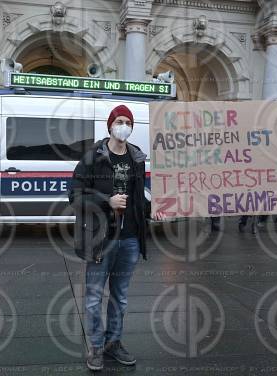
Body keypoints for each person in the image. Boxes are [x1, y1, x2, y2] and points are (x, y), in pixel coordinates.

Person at [69, 105, 165, 371]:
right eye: (119, 121)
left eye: (128, 122)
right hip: (102, 239)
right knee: (94, 297)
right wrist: (105, 201)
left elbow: (137, 199)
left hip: (130, 238)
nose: (124, 125)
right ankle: (96, 348)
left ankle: (114, 343)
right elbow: (75, 196)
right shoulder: (92, 157)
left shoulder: (136, 158)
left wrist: (152, 211)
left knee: (119, 297)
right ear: (110, 125)